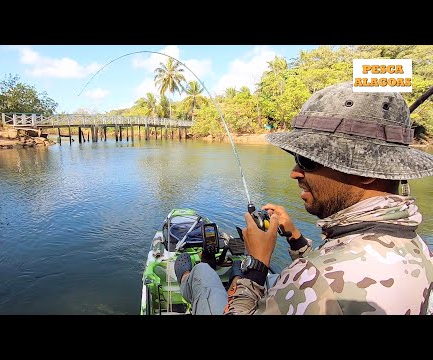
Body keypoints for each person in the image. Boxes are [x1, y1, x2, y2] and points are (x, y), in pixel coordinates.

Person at [174, 82, 433, 315]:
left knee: (203, 274)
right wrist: (296, 238)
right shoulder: (418, 247)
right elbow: (333, 272)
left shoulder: (318, 279)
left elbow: (322, 278)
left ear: (368, 171)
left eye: (306, 161)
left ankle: (187, 275)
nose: (294, 172)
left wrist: (256, 266)